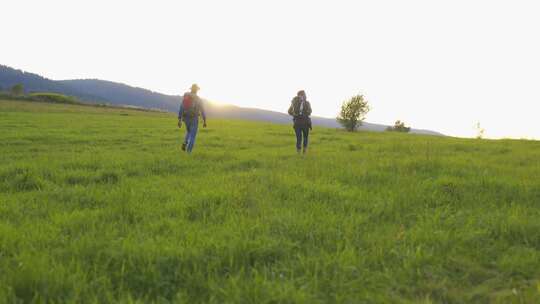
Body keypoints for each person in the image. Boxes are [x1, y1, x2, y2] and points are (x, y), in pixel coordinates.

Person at [178, 84, 207, 153]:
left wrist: (179, 120)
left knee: (188, 131)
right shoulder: (198, 99)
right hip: (194, 118)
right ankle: (188, 153)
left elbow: (181, 107)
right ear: (197, 90)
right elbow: (202, 110)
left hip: (185, 118)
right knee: (193, 136)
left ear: (191, 89)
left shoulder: (186, 96)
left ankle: (185, 142)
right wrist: (204, 121)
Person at [288, 90, 312, 154]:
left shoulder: (307, 103)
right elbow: (289, 111)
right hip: (298, 123)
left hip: (304, 123)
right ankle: (299, 152)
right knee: (299, 137)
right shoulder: (294, 103)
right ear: (299, 95)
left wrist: (304, 113)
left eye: (303, 95)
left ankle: (304, 151)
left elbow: (310, 111)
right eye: (301, 95)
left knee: (304, 137)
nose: (302, 96)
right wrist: (295, 114)